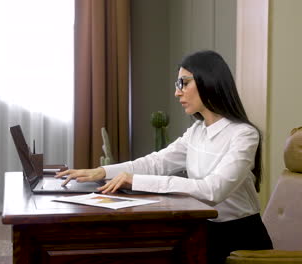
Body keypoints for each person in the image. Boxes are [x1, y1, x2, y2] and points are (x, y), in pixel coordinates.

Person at [56, 50, 273, 263]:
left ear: (209, 81)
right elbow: (157, 162)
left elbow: (212, 190)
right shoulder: (198, 130)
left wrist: (135, 180)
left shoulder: (244, 134)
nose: (177, 92)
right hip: (202, 228)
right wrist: (102, 171)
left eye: (184, 83)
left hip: (238, 239)